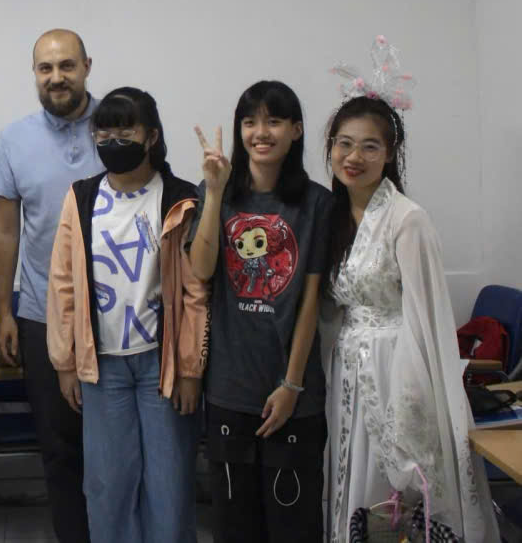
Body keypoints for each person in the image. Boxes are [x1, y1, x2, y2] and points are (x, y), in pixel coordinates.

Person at [321, 95, 498, 542]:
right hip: (347, 367)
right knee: (349, 477)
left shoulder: (408, 219)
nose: (354, 157)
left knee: (393, 486)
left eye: (369, 146)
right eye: (344, 143)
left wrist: (413, 400)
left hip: (393, 366)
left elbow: (426, 315)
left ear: (389, 154)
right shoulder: (333, 215)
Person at [48, 87, 207, 542]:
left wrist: (191, 369)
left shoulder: (180, 198)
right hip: (102, 368)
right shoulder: (81, 197)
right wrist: (64, 362)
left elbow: (195, 290)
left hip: (162, 365)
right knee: (108, 487)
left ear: (151, 136)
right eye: (104, 131)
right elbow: (62, 281)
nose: (112, 140)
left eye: (125, 130)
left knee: (168, 487)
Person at [188, 80, 331, 542]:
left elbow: (310, 300)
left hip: (294, 394)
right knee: (235, 526)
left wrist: (292, 385)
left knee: (294, 525)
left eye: (274, 121)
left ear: (296, 130)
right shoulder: (217, 192)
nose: (260, 132)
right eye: (250, 122)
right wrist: (215, 193)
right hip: (230, 389)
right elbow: (201, 269)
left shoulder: (317, 202)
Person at [0, 28, 101, 542]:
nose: (57, 77)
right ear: (35, 73)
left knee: (115, 447)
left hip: (116, 317)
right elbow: (6, 231)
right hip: (40, 314)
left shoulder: (119, 125)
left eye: (67, 65)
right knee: (59, 448)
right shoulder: (14, 139)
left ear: (87, 67)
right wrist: (5, 313)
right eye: (46, 68)